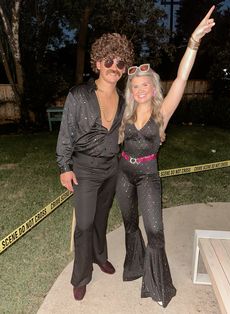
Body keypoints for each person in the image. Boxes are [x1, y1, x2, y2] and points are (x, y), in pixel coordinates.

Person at [116, 6, 215, 308]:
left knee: (155, 230)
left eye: (145, 84)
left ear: (153, 87)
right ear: (131, 91)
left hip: (147, 175)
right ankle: (133, 267)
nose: (141, 89)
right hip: (122, 172)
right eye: (135, 86)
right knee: (129, 223)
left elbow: (183, 77)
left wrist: (193, 43)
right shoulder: (125, 111)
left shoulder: (162, 111)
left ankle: (158, 285)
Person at [56, 33, 134, 301]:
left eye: (121, 63)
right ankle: (80, 276)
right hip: (85, 169)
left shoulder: (125, 100)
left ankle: (101, 257)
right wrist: (65, 166)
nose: (115, 67)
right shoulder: (79, 95)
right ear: (98, 62)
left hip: (112, 167)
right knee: (85, 223)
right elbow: (66, 134)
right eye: (109, 60)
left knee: (101, 218)